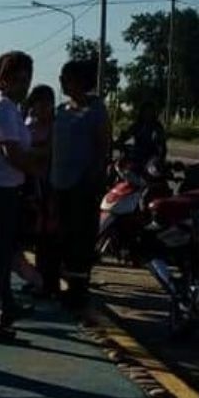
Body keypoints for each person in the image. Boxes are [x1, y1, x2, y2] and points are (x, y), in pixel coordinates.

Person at [0, 51, 41, 342]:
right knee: (0, 257)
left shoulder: (11, 107)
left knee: (3, 253)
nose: (24, 84)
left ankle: (6, 306)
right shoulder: (1, 107)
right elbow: (11, 152)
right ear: (3, 78)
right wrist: (37, 166)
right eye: (19, 78)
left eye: (27, 78)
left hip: (6, 186)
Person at [48, 60, 112, 311]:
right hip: (57, 184)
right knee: (58, 238)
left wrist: (92, 178)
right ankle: (58, 283)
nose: (62, 81)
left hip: (82, 186)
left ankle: (78, 291)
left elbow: (102, 146)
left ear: (79, 81)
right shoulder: (61, 110)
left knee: (80, 240)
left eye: (66, 77)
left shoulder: (96, 110)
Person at [15, 85, 55, 296]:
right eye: (39, 103)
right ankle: (37, 277)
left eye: (48, 103)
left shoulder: (54, 127)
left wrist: (29, 153)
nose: (43, 108)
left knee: (47, 237)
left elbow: (48, 151)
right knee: (32, 235)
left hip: (47, 185)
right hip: (28, 185)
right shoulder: (28, 123)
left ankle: (48, 280)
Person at [118, 101, 167, 166]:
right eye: (146, 111)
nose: (148, 114)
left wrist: (160, 157)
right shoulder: (138, 125)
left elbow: (162, 144)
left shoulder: (157, 127)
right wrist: (119, 141)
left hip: (152, 159)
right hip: (137, 157)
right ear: (142, 112)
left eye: (150, 111)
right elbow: (127, 134)